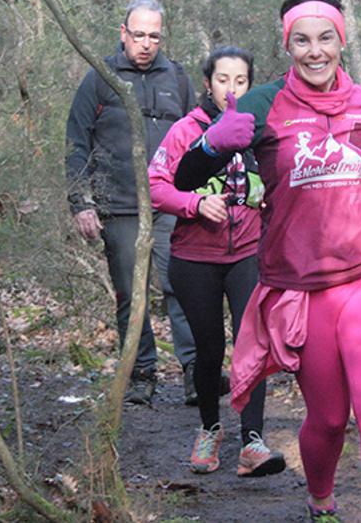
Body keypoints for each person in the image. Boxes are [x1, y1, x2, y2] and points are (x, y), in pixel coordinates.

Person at [173, 0, 361, 522]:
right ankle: (321, 502)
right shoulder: (260, 104)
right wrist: (213, 145)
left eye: (325, 37)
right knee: (328, 419)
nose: (314, 51)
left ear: (340, 41)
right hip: (300, 289)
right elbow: (183, 178)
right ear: (288, 45)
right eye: (301, 40)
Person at [148, 46, 286, 477]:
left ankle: (252, 441)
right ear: (207, 83)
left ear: (250, 84)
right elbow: (155, 186)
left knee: (254, 347)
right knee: (209, 351)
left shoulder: (258, 130)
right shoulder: (186, 130)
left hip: (247, 254)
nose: (231, 88)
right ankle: (209, 429)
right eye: (222, 79)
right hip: (194, 259)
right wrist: (194, 204)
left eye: (241, 81)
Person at [65, 0, 198, 405]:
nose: (145, 44)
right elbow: (76, 142)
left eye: (153, 36)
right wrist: (81, 202)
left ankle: (197, 372)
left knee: (183, 285)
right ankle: (140, 375)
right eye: (138, 35)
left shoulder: (177, 78)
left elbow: (199, 139)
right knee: (130, 290)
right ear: (123, 33)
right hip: (118, 205)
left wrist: (199, 196)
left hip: (170, 203)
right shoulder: (100, 77)